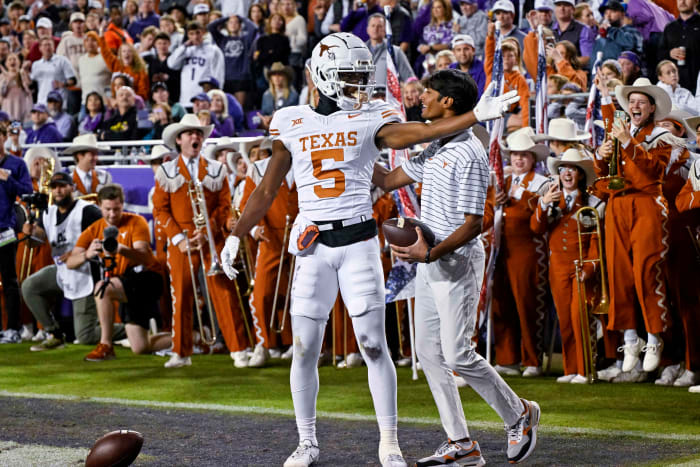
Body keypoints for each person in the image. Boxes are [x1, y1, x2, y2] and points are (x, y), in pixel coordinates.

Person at [219, 32, 519, 467]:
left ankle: (390, 443)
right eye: (351, 76)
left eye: (363, 76)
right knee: (305, 347)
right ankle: (306, 442)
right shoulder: (289, 120)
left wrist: (476, 116)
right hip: (312, 245)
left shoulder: (371, 115)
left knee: (373, 346)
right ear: (323, 75)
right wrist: (235, 234)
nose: (361, 86)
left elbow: (419, 133)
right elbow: (267, 189)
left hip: (359, 240)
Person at [372, 69, 541, 466]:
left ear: (448, 102)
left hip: (456, 261)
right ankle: (460, 443)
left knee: (458, 354)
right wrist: (353, 152)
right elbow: (392, 178)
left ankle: (520, 414)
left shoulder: (469, 151)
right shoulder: (437, 144)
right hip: (429, 259)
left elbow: (473, 224)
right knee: (429, 353)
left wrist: (429, 254)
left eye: (428, 93)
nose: (421, 98)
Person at [152, 114, 251, 369]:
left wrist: (207, 230)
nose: (195, 137)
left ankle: (239, 349)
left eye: (198, 133)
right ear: (179, 139)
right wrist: (178, 238)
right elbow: (160, 210)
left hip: (212, 235)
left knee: (224, 292)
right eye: (189, 133)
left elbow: (224, 205)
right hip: (182, 239)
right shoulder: (166, 171)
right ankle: (181, 352)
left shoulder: (217, 169)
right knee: (181, 295)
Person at [594, 75, 674, 382]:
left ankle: (654, 337)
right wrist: (600, 158)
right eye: (632, 101)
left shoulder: (661, 136)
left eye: (642, 102)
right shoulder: (621, 132)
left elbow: (655, 170)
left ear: (652, 108)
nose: (635, 105)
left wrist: (627, 142)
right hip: (618, 204)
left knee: (646, 270)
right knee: (619, 274)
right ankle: (630, 338)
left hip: (647, 203)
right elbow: (606, 174)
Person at [66, 183, 170, 361]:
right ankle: (193, 338)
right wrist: (87, 254)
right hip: (125, 282)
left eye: (116, 209)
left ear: (123, 205)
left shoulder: (136, 222)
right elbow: (70, 262)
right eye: (108, 209)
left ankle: (106, 345)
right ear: (99, 205)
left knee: (102, 288)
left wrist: (120, 249)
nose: (112, 214)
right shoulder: (94, 229)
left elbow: (144, 257)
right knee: (140, 347)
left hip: (146, 278)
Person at [530, 148, 601, 383]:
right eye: (563, 169)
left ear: (580, 174)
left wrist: (590, 268)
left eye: (572, 169)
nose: (567, 173)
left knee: (580, 317)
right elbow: (536, 229)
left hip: (580, 266)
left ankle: (586, 370)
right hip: (557, 267)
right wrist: (543, 204)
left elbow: (594, 240)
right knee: (565, 319)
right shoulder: (552, 199)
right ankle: (571, 369)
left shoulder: (590, 203)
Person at [21, 171, 114, 350]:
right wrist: (29, 233)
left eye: (63, 186)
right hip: (63, 270)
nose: (58, 191)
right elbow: (35, 242)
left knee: (85, 336)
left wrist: (79, 251)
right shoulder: (49, 213)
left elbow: (107, 237)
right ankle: (54, 334)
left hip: (86, 273)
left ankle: (132, 330)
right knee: (29, 286)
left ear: (72, 187)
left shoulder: (87, 210)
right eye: (54, 187)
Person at [490, 128, 552, 377]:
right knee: (501, 304)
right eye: (515, 154)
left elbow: (542, 219)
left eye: (524, 155)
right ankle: (507, 358)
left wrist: (520, 199)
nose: (518, 159)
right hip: (501, 251)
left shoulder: (541, 183)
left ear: (533, 159)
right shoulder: (501, 182)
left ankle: (532, 359)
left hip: (528, 251)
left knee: (528, 304)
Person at [0, 125, 32, 344]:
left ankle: (13, 328)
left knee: (9, 279)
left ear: (4, 138)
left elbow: (26, 191)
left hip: (5, 229)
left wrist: (7, 180)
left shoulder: (17, 164)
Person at [167, 21, 225, 107]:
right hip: (185, 99)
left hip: (204, 99)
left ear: (203, 32)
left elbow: (218, 75)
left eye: (198, 33)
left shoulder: (213, 50)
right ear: (188, 35)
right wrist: (183, 47)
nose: (195, 37)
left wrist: (215, 96)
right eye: (191, 34)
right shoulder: (186, 50)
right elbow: (171, 64)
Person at [208, 13, 257, 107]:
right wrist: (226, 17)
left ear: (240, 25)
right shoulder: (222, 39)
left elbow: (253, 28)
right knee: (226, 108)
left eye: (236, 22)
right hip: (225, 78)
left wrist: (241, 17)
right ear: (226, 26)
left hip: (241, 78)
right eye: (230, 23)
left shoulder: (245, 39)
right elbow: (211, 27)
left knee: (239, 108)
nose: (233, 24)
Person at [660, 0, 700, 94]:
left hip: (697, 85)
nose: (682, 1)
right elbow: (659, 54)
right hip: (674, 86)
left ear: (696, 1)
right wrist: (669, 53)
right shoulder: (670, 27)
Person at [365, 13, 414, 89]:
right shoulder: (360, 51)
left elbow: (410, 79)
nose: (375, 29)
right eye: (373, 26)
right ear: (367, 29)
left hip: (388, 98)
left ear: (385, 30)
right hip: (365, 98)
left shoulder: (395, 51)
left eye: (379, 26)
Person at [592, 0, 643, 65]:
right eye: (606, 13)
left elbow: (630, 44)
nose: (608, 16)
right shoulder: (603, 35)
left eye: (613, 12)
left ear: (623, 14)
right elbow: (595, 58)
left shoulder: (632, 31)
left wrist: (610, 30)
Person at [29, 36, 76, 105]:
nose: (47, 47)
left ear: (54, 47)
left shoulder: (62, 60)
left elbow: (73, 80)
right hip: (42, 102)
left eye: (50, 45)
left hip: (59, 102)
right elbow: (32, 85)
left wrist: (63, 84)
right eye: (45, 45)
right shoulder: (36, 64)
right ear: (40, 48)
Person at [143, 32, 181, 104]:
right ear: (155, 45)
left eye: (164, 43)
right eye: (159, 43)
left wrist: (168, 78)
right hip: (156, 100)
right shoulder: (152, 61)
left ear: (169, 44)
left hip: (173, 98)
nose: (162, 46)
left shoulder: (174, 59)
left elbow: (179, 77)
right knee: (158, 113)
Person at [77, 32, 111, 111]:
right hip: (85, 103)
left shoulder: (105, 58)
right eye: (87, 40)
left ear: (98, 43)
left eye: (93, 40)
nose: (90, 43)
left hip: (103, 103)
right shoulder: (81, 60)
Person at [0, 52, 32, 123]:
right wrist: (8, 79)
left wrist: (24, 72)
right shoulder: (2, 77)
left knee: (20, 132)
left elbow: (29, 90)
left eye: (14, 59)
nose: (12, 61)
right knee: (11, 132)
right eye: (10, 59)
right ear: (6, 64)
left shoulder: (24, 74)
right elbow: (2, 93)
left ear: (19, 62)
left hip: (22, 112)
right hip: (7, 111)